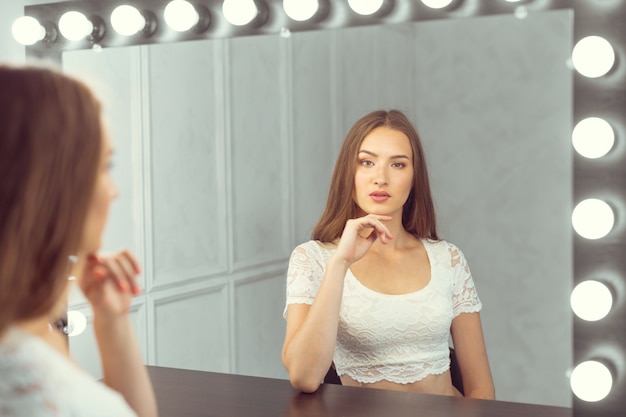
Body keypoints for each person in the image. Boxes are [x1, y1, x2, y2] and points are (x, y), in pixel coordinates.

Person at [281, 109, 495, 399]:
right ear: (349, 172)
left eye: (398, 164)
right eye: (367, 162)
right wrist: (340, 263)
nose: (380, 178)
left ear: (414, 177)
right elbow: (304, 376)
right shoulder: (313, 259)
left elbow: (480, 388)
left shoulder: (449, 259)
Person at [0, 64, 158, 416]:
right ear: (49, 186)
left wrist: (112, 321)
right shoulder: (19, 374)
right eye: (104, 168)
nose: (114, 191)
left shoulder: (26, 328)